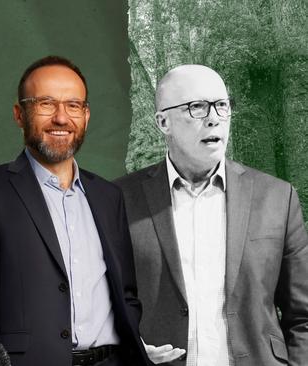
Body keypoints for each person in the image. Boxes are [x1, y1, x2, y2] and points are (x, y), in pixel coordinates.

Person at [114, 64, 308, 365]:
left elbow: (303, 316)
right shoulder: (118, 200)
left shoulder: (277, 198)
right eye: (197, 108)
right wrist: (129, 352)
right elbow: (98, 310)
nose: (214, 119)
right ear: (163, 122)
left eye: (222, 105)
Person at [0, 55, 150, 366]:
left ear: (87, 114)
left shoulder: (109, 196)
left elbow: (126, 293)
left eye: (74, 105)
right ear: (19, 114)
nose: (61, 118)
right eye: (46, 104)